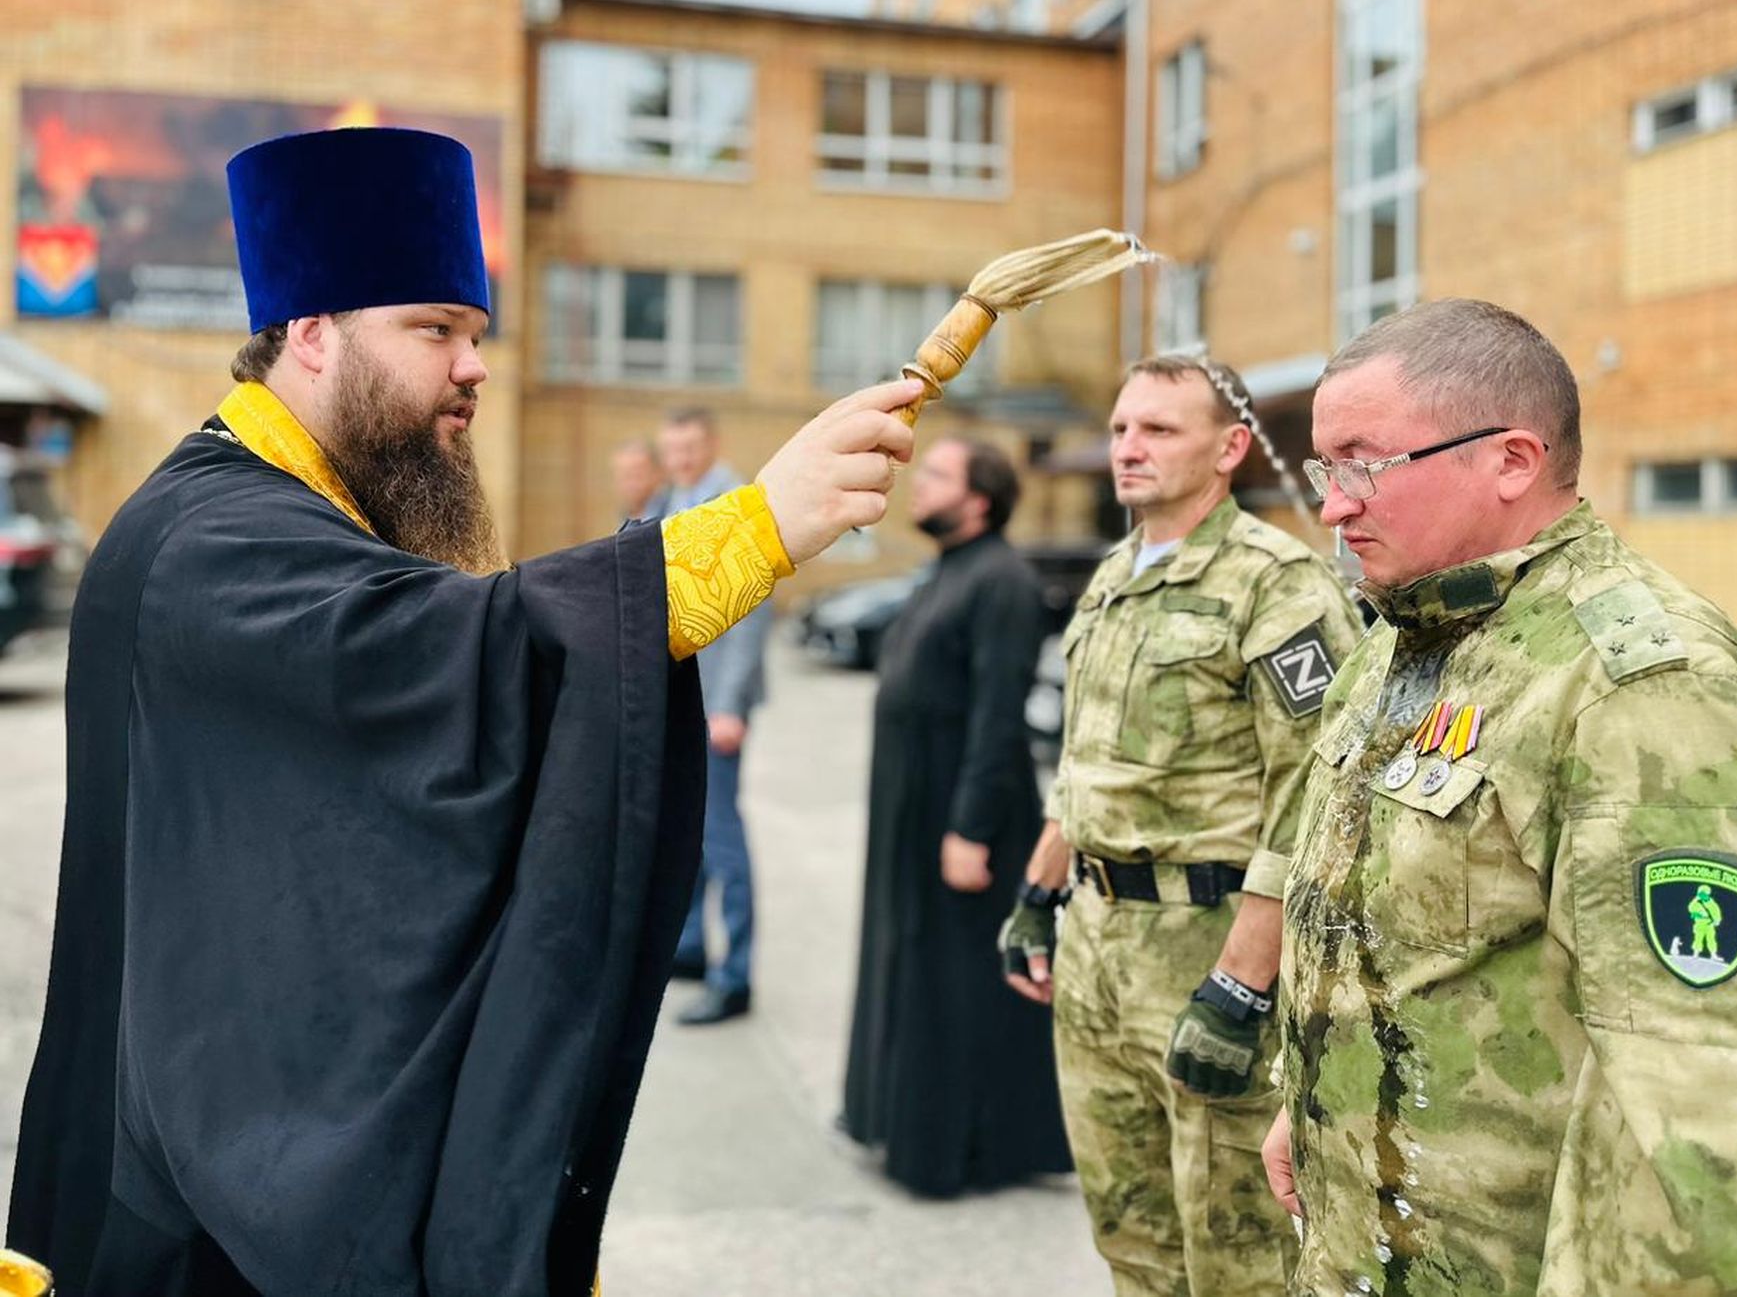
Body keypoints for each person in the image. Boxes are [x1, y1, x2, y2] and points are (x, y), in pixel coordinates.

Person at [6, 126, 921, 1297]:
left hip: (211, 1110)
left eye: (476, 334)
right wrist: (755, 527)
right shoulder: (213, 535)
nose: (475, 365)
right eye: (434, 329)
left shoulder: (281, 507)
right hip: (200, 1194)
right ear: (313, 333)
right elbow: (458, 652)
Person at [1262, 298, 1737, 1296]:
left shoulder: (1641, 682)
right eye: (1324, 468)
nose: (1334, 505)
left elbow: (1701, 1108)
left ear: (1511, 459)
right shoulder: (1399, 644)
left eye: (1364, 463)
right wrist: (1315, 1098)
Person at [998, 354, 1364, 1296]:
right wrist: (1040, 892)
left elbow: (1317, 790)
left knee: (1239, 1258)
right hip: (1098, 953)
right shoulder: (1115, 575)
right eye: (1122, 428)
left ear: (1230, 448)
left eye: (1159, 429)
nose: (1129, 447)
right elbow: (1085, 765)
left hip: (1208, 950)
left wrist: (1243, 984)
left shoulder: (1274, 584)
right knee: (1131, 1237)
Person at [842, 437, 1072, 1196]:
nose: (919, 485)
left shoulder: (1002, 581)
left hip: (964, 813)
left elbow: (997, 715)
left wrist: (970, 828)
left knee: (959, 981)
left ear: (979, 499)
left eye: (937, 474)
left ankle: (962, 1150)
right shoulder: (947, 570)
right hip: (915, 805)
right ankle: (894, 1120)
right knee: (912, 962)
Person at [658, 407, 771, 1026]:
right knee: (690, 833)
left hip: (716, 704)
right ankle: (696, 951)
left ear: (712, 444)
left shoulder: (731, 500)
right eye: (672, 448)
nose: (681, 457)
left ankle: (737, 977)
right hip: (683, 696)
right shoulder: (678, 495)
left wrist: (729, 706)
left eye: (691, 446)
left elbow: (752, 613)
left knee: (723, 841)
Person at [611, 437, 663, 523]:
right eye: (625, 476)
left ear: (658, 474)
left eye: (637, 475)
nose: (631, 484)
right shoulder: (625, 519)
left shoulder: (673, 513)